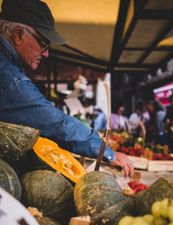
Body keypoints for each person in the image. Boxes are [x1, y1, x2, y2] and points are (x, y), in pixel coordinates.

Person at [0, 0, 134, 177]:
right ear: (18, 35)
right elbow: (53, 122)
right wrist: (106, 152)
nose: (47, 53)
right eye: (44, 43)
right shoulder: (8, 76)